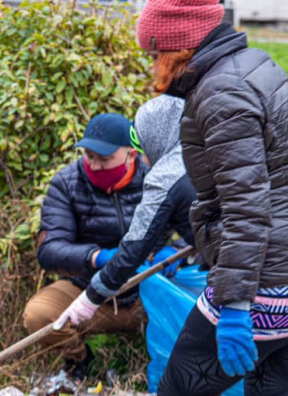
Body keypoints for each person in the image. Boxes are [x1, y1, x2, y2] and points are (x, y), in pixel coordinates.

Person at [53, 1, 288, 396]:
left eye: (154, 51)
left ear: (179, 45)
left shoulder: (219, 95)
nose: (151, 63)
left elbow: (246, 209)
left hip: (266, 286)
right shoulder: (257, 65)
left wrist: (237, 309)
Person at [23, 113, 196, 381]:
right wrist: (97, 257)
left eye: (104, 159)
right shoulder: (67, 184)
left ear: (131, 154)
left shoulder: (159, 179)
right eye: (89, 156)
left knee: (201, 310)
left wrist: (176, 251)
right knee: (39, 315)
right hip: (88, 290)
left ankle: (173, 368)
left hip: (149, 288)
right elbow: (49, 250)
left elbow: (201, 225)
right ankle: (79, 361)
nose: (94, 164)